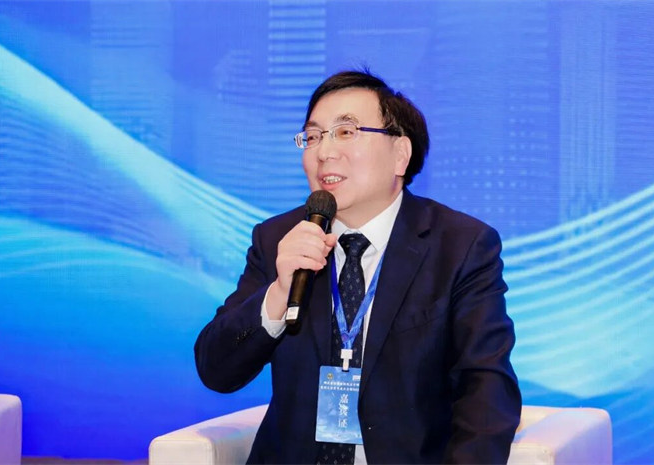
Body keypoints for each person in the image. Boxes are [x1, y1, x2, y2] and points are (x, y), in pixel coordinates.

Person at [194, 69, 521, 464]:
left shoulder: (461, 246)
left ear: (400, 154)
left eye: (345, 132)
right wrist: (278, 294)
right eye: (313, 137)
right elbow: (216, 370)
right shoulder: (279, 238)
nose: (323, 152)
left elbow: (486, 391)